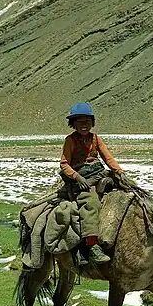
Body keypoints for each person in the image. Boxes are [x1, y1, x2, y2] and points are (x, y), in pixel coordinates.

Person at [60, 102, 133, 265]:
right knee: (90, 203)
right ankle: (91, 245)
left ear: (92, 122)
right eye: (79, 122)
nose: (84, 125)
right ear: (73, 124)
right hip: (81, 177)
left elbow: (107, 158)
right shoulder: (70, 141)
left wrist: (120, 173)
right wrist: (77, 177)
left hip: (98, 172)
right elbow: (64, 163)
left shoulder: (96, 138)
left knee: (128, 190)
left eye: (86, 121)